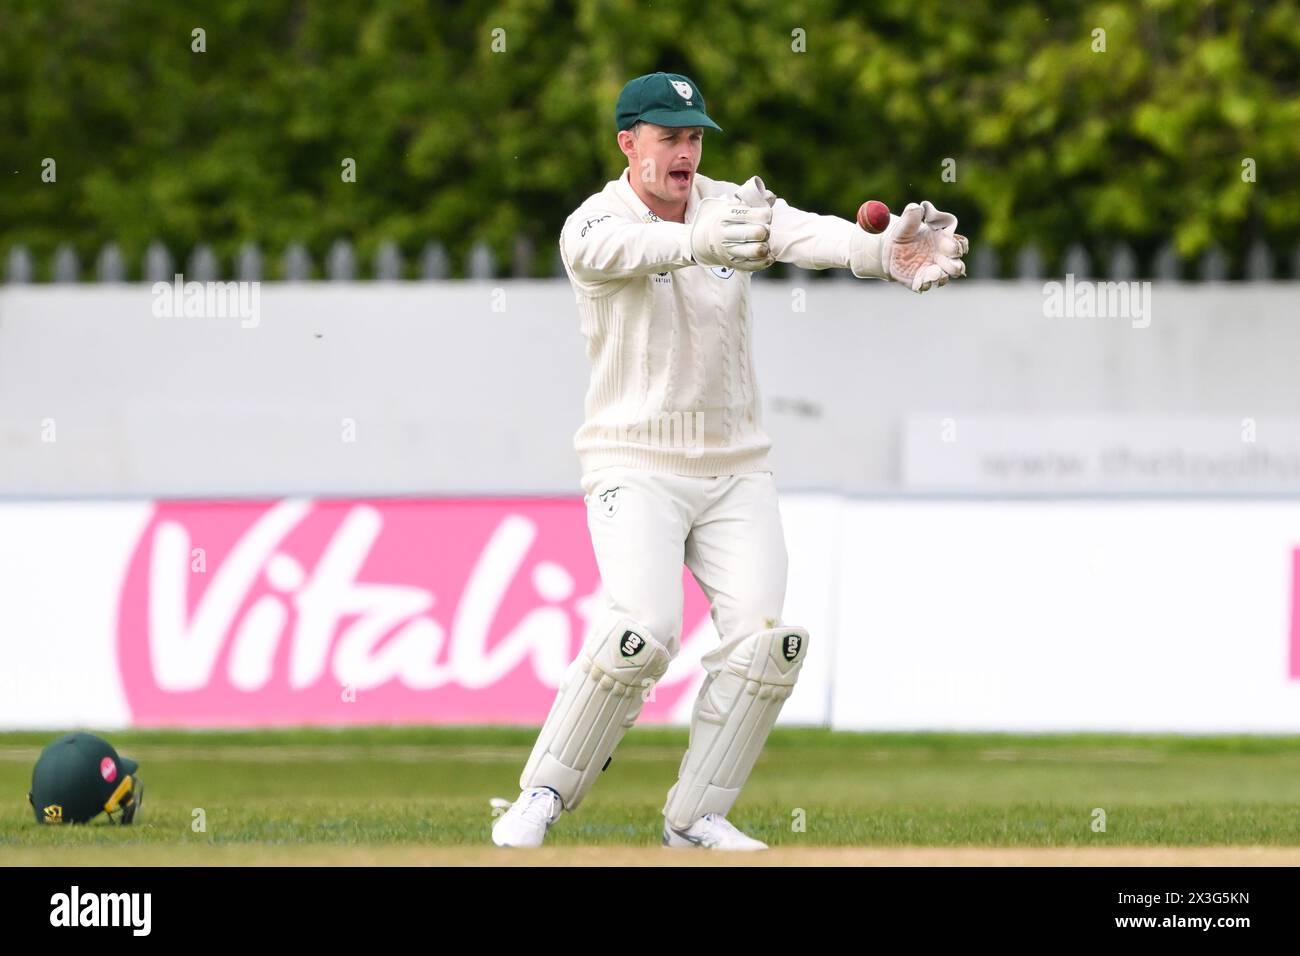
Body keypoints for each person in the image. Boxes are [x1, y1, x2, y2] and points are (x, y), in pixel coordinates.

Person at [492, 71, 966, 850]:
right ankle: (541, 795)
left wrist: (877, 250)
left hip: (736, 465)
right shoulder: (591, 225)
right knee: (639, 633)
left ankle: (694, 817)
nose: (686, 152)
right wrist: (694, 242)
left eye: (694, 137)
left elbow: (797, 232)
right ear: (628, 144)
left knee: (765, 645)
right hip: (632, 460)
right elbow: (627, 250)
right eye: (670, 137)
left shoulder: (729, 206)